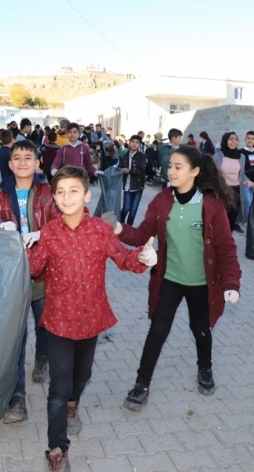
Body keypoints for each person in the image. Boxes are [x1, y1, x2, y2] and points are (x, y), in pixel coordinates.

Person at [26, 166, 152, 471]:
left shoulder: (100, 230)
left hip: (91, 319)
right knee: (58, 385)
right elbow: (32, 270)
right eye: (60, 192)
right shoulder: (49, 233)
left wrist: (143, 258)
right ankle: (57, 449)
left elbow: (124, 259)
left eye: (73, 190)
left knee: (80, 379)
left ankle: (74, 404)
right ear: (53, 198)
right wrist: (26, 246)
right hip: (57, 320)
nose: (66, 197)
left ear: (87, 195)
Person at [105, 145, 241, 412]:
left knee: (201, 330)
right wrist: (119, 229)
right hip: (169, 278)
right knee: (157, 331)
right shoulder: (162, 200)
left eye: (178, 167)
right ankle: (141, 384)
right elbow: (144, 233)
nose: (171, 171)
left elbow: (226, 247)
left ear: (195, 171)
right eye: (170, 166)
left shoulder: (211, 204)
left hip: (202, 283)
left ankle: (205, 369)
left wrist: (231, 283)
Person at [0, 140, 60, 424]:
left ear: (37, 163)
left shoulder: (48, 192)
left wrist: (42, 235)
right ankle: (17, 397)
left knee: (44, 324)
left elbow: (59, 221)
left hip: (44, 272)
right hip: (14, 274)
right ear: (9, 164)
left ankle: (43, 357)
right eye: (16, 157)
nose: (21, 162)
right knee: (16, 337)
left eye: (27, 157)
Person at [214, 132, 249, 233]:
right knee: (220, 219)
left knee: (231, 220)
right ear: (225, 141)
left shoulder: (241, 157)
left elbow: (241, 174)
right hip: (222, 192)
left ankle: (227, 241)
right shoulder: (217, 157)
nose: (234, 141)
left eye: (236, 139)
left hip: (236, 192)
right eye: (231, 139)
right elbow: (211, 174)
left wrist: (248, 181)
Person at [119, 135, 147, 225]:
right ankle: (120, 225)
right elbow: (118, 169)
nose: (134, 144)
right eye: (133, 141)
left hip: (138, 186)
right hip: (127, 186)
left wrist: (130, 171)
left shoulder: (142, 156)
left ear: (139, 145)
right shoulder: (123, 156)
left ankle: (129, 230)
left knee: (133, 210)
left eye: (137, 142)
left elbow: (142, 170)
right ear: (129, 143)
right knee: (126, 208)